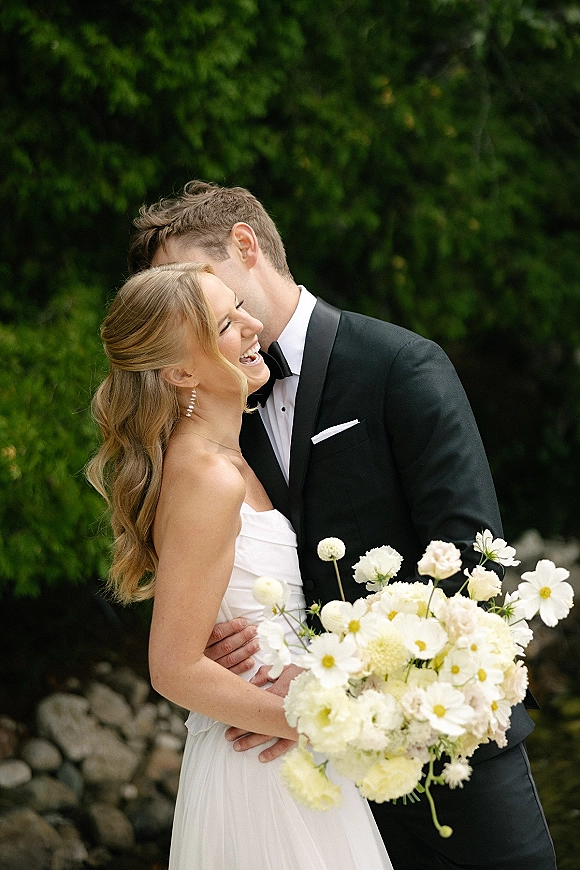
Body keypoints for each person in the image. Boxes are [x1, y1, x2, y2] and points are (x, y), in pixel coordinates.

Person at [127, 180, 557, 870]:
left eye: (193, 282)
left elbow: (475, 571)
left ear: (244, 245)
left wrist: (333, 691)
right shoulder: (215, 416)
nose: (184, 310)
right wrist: (227, 641)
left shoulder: (400, 365)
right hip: (304, 779)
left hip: (443, 744)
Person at [86, 262, 393, 870]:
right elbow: (172, 667)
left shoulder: (227, 459)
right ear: (178, 372)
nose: (254, 325)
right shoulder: (208, 477)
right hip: (262, 769)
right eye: (227, 323)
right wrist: (308, 722)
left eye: (240, 309)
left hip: (284, 746)